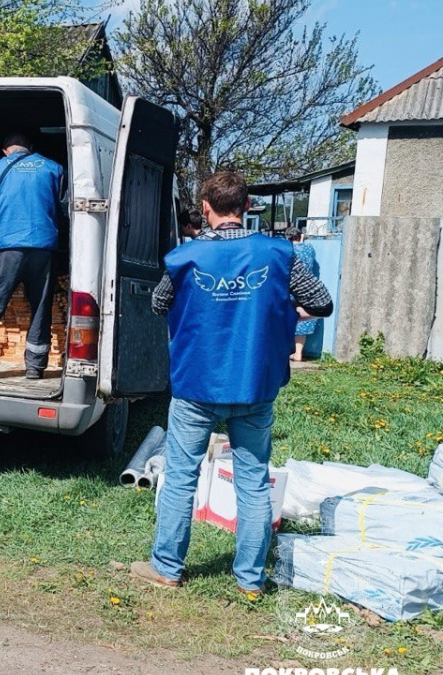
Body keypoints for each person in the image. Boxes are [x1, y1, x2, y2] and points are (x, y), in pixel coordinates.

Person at [130, 172, 333, 596]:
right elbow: (322, 303)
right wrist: (280, 310)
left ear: (206, 207)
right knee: (253, 481)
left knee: (182, 477)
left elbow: (158, 303)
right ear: (245, 206)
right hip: (254, 383)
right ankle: (250, 581)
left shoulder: (188, 257)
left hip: (195, 384)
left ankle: (167, 568)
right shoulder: (279, 253)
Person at [0, 132, 65, 380]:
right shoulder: (54, 168)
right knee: (40, 307)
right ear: (30, 148)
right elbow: (65, 209)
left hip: (7, 246)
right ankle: (35, 368)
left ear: (6, 151)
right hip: (43, 247)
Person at [285, 227, 321, 361]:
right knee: (303, 321)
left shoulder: (287, 250)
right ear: (300, 236)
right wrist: (302, 238)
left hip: (291, 288)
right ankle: (298, 353)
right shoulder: (309, 249)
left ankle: (282, 351)